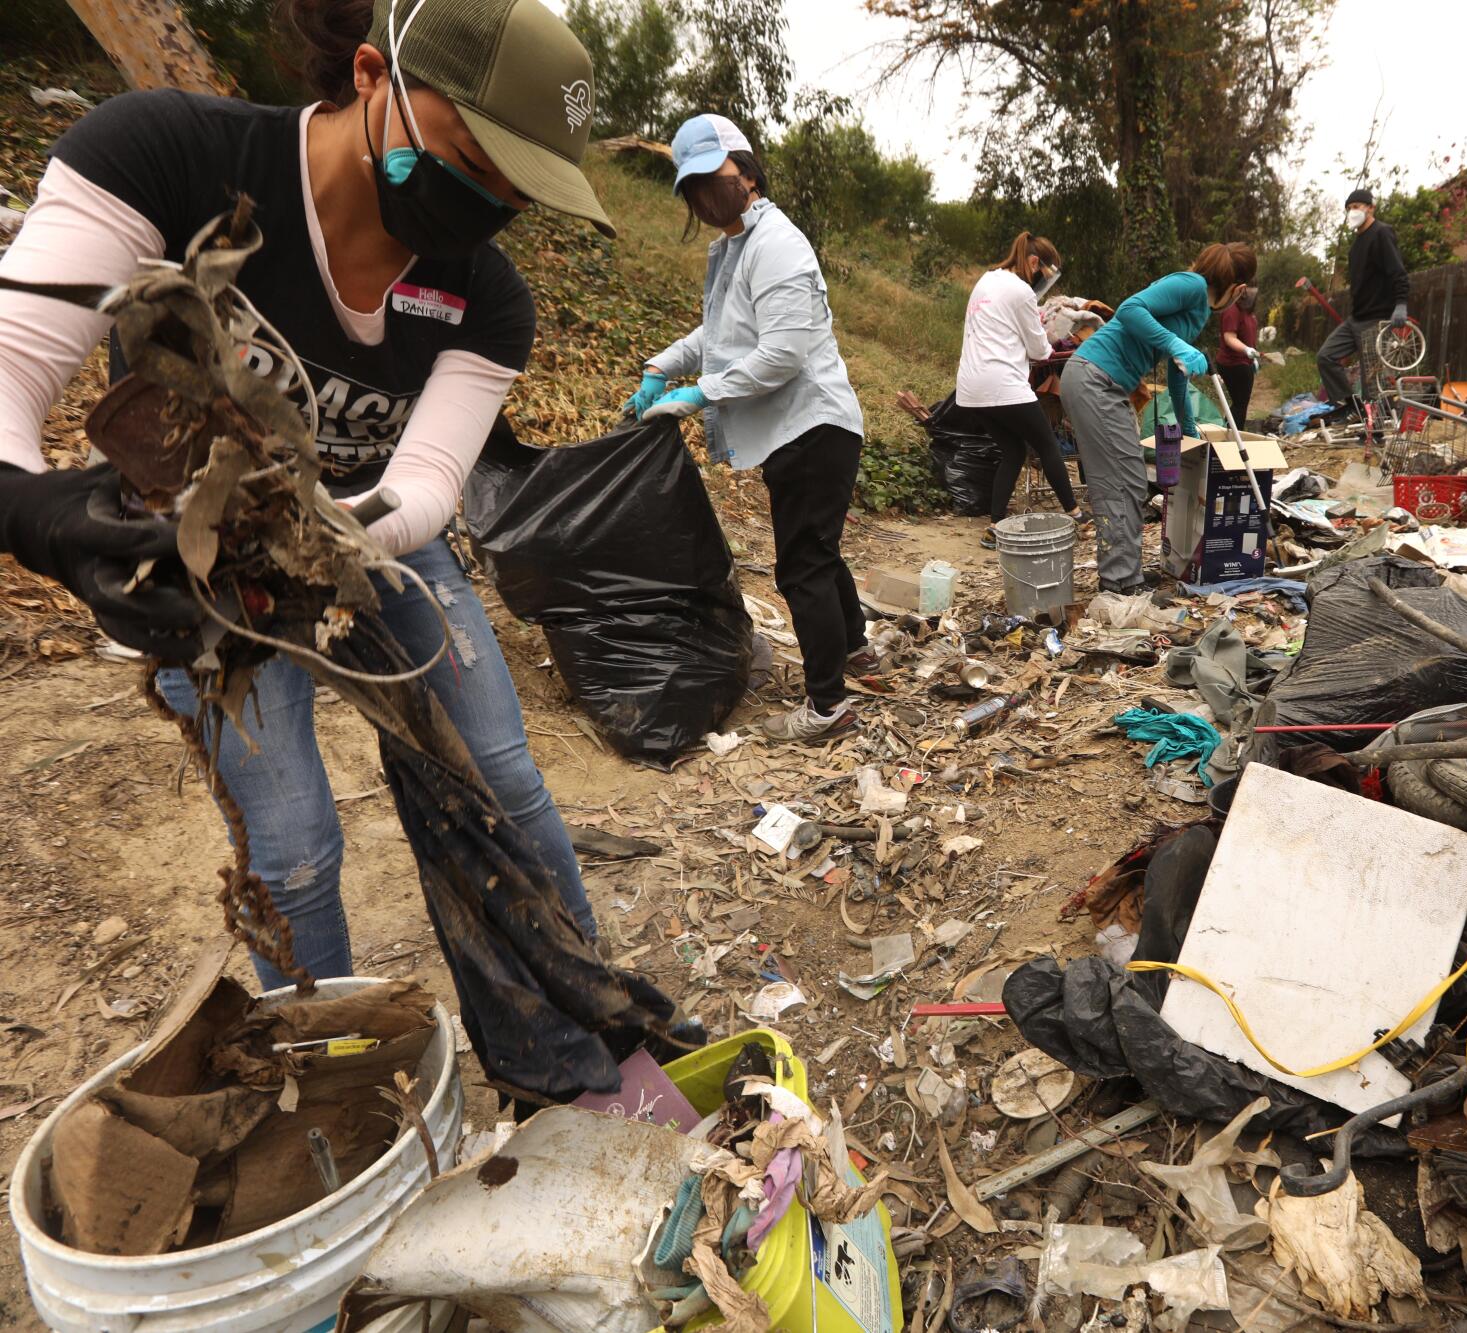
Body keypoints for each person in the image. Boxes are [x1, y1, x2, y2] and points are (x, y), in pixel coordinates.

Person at [0, 0, 614, 987]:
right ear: (373, 75)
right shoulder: (166, 156)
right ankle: (332, 1084)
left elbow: (422, 485)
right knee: (292, 849)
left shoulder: (486, 301)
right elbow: (11, 363)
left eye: (518, 187)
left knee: (499, 777)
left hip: (374, 533)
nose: (488, 198)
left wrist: (320, 533)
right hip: (208, 548)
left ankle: (583, 1026)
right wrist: (34, 509)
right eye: (472, 155)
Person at [627, 113, 868, 742]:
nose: (706, 196)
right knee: (817, 551)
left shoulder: (777, 244)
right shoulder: (739, 246)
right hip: (797, 431)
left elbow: (782, 353)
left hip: (813, 426)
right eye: (693, 188)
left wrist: (697, 395)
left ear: (748, 172)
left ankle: (827, 706)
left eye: (715, 178)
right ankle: (857, 651)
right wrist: (663, 366)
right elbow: (724, 336)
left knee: (800, 567)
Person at [1061, 242, 1258, 595]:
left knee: (1129, 479)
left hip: (1109, 385)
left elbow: (1177, 375)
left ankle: (1124, 574)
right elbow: (1130, 309)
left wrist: (1188, 428)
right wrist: (1176, 343)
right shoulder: (1191, 285)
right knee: (1123, 480)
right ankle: (1120, 582)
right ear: (1238, 288)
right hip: (1094, 378)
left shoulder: (1199, 311)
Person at [954, 231, 1082, 546]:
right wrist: (1047, 330)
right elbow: (1040, 351)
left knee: (1013, 449)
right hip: (1003, 384)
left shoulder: (986, 280)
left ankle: (996, 524)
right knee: (1047, 444)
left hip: (971, 388)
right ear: (1034, 262)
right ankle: (1076, 513)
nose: (1042, 283)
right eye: (1045, 275)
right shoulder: (1021, 291)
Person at [1315, 188, 1408, 415]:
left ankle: (1375, 432)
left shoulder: (1382, 233)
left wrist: (1401, 303)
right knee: (1325, 356)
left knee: (1372, 385)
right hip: (1356, 319)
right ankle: (1351, 405)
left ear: (1371, 208)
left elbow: (1398, 272)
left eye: (1356, 206)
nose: (1352, 212)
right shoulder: (1356, 244)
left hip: (1376, 320)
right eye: (1349, 208)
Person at [1215, 284, 1260, 429]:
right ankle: (1234, 438)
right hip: (1233, 364)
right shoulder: (1231, 309)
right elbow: (1229, 337)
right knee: (1240, 405)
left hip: (1245, 363)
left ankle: (1230, 434)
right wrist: (1246, 349)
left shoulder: (1248, 311)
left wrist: (1253, 357)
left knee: (1239, 404)